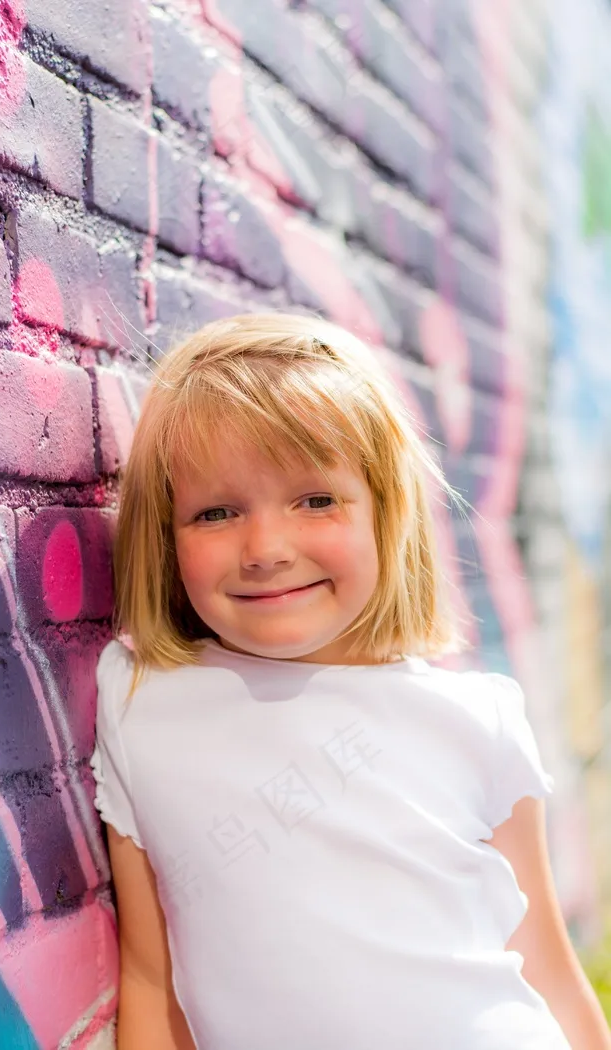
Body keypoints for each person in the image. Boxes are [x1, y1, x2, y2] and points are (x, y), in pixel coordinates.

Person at [91, 313, 610, 1050]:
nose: (266, 548)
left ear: (385, 515)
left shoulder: (476, 718)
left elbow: (548, 968)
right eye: (216, 512)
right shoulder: (141, 702)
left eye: (316, 500)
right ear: (165, 538)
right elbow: (148, 979)